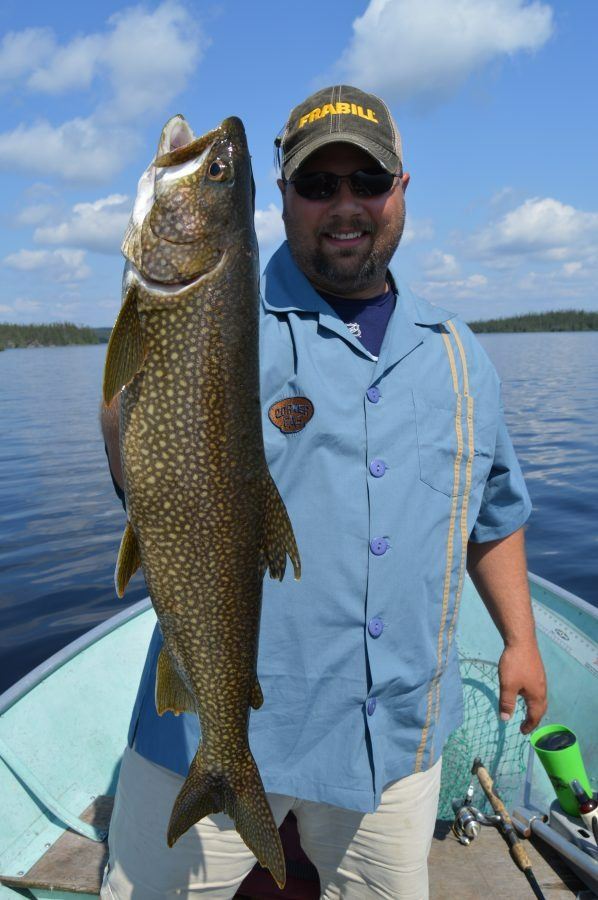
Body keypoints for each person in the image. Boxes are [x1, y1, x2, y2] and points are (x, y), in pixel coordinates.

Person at [100, 85, 547, 899]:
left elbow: (493, 513)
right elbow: (137, 459)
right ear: (281, 197)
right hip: (205, 726)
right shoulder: (226, 314)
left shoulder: (458, 354)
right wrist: (150, 333)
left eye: (366, 181)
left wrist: (521, 639)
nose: (344, 205)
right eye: (317, 184)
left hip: (393, 748)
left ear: (400, 189)